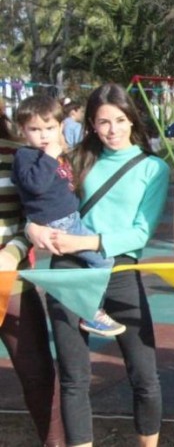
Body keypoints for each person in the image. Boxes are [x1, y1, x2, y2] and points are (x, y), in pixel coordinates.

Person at [28, 83, 169, 447]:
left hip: (119, 272)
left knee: (145, 376)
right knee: (74, 378)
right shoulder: (76, 160)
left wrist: (87, 242)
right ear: (91, 124)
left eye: (120, 120)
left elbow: (140, 232)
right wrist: (31, 226)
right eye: (103, 122)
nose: (112, 129)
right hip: (70, 271)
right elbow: (43, 202)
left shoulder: (152, 168)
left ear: (132, 119)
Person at [11, 96, 123, 338]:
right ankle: (93, 311)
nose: (43, 136)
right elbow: (36, 185)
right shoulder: (27, 156)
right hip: (60, 223)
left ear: (60, 126)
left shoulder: (56, 153)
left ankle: (89, 302)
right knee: (104, 261)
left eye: (49, 128)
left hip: (70, 218)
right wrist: (50, 156)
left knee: (90, 261)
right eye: (35, 129)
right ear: (23, 131)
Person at [0, 97, 65, 447]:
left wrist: (13, 252)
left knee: (38, 374)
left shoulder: (18, 154)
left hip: (11, 282)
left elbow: (36, 213)